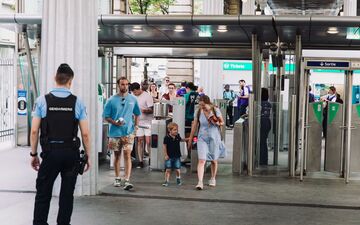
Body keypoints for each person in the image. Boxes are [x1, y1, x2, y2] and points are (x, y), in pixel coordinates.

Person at [30, 63, 91, 225]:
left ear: (54, 78)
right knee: (66, 195)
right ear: (70, 81)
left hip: (50, 153)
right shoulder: (78, 102)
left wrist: (34, 154)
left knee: (43, 193)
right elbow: (85, 133)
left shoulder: (42, 101)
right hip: (71, 154)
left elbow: (34, 131)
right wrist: (88, 155)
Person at [103, 77, 141, 190]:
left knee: (127, 154)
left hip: (128, 132)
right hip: (115, 133)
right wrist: (114, 122)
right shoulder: (111, 100)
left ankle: (127, 179)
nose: (124, 86)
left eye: (126, 84)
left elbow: (137, 113)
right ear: (118, 85)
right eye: (122, 84)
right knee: (117, 155)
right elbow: (106, 116)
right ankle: (117, 177)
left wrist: (136, 127)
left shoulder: (133, 99)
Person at [188, 95, 224, 190]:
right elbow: (194, 125)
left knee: (213, 159)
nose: (202, 107)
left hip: (214, 137)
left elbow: (222, 123)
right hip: (202, 138)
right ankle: (200, 182)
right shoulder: (198, 111)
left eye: (203, 105)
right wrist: (191, 138)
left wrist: (217, 122)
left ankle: (213, 178)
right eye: (200, 105)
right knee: (202, 160)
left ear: (208, 103)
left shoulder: (215, 110)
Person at [131, 82, 154, 168]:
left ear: (138, 89)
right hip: (138, 122)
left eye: (135, 92)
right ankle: (140, 160)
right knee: (140, 141)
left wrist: (144, 111)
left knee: (148, 141)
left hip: (147, 122)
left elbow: (152, 109)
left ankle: (151, 159)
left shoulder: (147, 96)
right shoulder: (132, 96)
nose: (134, 94)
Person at [162, 122, 187, 187]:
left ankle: (178, 178)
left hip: (177, 156)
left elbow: (181, 140)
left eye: (177, 130)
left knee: (177, 169)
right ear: (170, 130)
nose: (176, 131)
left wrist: (187, 139)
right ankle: (166, 180)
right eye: (174, 130)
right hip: (169, 156)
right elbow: (164, 146)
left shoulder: (177, 136)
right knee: (168, 169)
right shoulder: (166, 137)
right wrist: (165, 155)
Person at [260, 88, 272, 165]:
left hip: (261, 123)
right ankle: (264, 159)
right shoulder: (269, 104)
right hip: (267, 123)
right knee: (264, 142)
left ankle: (261, 159)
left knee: (261, 142)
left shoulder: (259, 104)